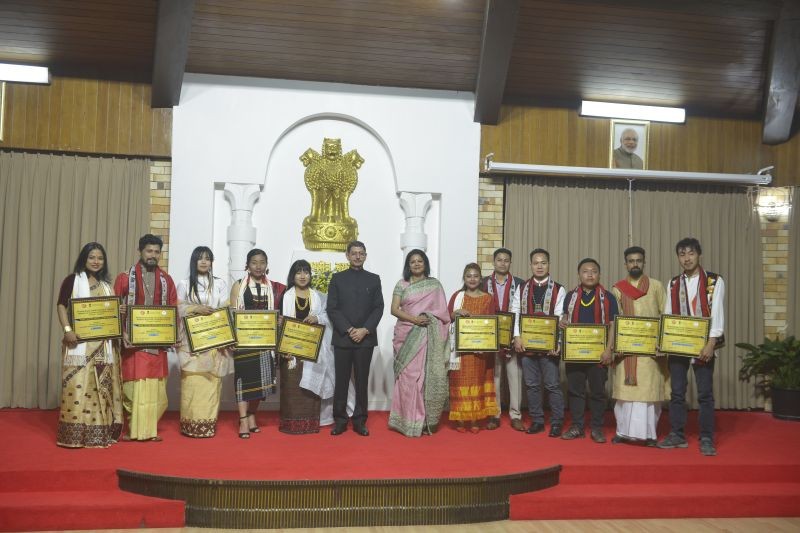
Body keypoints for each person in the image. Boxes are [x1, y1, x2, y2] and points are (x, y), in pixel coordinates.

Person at [658, 238, 725, 456]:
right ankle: (677, 434)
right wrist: (664, 342)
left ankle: (706, 438)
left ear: (699, 255)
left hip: (704, 345)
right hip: (678, 345)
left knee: (705, 394)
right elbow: (668, 313)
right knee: (677, 392)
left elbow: (717, 314)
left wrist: (711, 343)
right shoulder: (673, 283)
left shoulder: (714, 281)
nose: (686, 258)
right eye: (682, 254)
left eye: (691, 253)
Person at [56, 242, 123, 448]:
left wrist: (119, 312)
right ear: (84, 259)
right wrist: (67, 330)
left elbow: (110, 315)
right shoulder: (72, 280)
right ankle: (74, 435)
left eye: (100, 258)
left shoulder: (106, 285)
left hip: (103, 347)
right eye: (92, 257)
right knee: (77, 388)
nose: (96, 261)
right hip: (79, 345)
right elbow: (61, 305)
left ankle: (98, 434)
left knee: (99, 389)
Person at [114, 234, 177, 441]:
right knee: (133, 390)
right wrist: (122, 331)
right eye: (149, 251)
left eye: (157, 252)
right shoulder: (125, 278)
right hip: (133, 346)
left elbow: (173, 309)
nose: (153, 255)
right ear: (140, 251)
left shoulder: (166, 280)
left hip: (157, 345)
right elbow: (113, 309)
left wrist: (173, 335)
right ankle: (134, 431)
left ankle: (150, 430)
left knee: (157, 393)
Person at [388, 249, 451, 437]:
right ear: (408, 265)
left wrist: (427, 319)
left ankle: (421, 421)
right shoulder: (402, 284)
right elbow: (394, 309)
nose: (416, 264)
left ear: (425, 264)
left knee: (423, 379)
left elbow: (442, 313)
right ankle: (405, 420)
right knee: (407, 379)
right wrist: (414, 320)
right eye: (412, 261)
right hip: (406, 335)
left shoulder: (434, 285)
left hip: (427, 336)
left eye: (420, 261)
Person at [610, 246, 667, 446]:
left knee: (648, 394)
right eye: (631, 261)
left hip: (650, 351)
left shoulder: (656, 286)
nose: (635, 264)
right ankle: (622, 432)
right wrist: (615, 346)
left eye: (638, 260)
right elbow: (614, 320)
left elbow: (665, 316)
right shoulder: (617, 289)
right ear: (625, 264)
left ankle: (649, 435)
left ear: (644, 262)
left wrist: (662, 344)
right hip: (626, 350)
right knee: (625, 395)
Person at [327, 241, 384, 436]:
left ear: (365, 256)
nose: (358, 256)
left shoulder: (374, 279)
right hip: (343, 338)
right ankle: (340, 420)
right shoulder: (337, 278)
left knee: (361, 381)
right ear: (347, 256)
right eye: (354, 253)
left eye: (361, 253)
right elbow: (332, 308)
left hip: (365, 338)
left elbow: (378, 307)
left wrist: (365, 329)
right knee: (341, 381)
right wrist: (350, 329)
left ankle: (360, 421)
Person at [560, 258, 619, 443]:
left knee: (598, 393)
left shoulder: (608, 297)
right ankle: (577, 426)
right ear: (579, 275)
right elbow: (565, 319)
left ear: (599, 275)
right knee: (575, 392)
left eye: (594, 271)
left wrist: (609, 350)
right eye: (585, 271)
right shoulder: (570, 296)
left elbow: (613, 325)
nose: (590, 275)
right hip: (575, 353)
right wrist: (563, 322)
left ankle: (597, 428)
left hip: (599, 355)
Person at [230, 248, 286, 439]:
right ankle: (243, 419)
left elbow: (279, 313)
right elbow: (232, 315)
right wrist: (232, 339)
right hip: (244, 342)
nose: (258, 266)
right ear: (247, 265)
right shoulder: (239, 285)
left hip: (265, 342)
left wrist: (279, 320)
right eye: (254, 262)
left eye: (262, 262)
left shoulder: (275, 288)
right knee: (243, 381)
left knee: (262, 382)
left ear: (266, 265)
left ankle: (252, 415)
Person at [176, 246, 231, 438]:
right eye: (200, 258)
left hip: (214, 339)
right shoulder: (184, 284)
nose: (204, 262)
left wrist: (225, 335)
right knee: (192, 382)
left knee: (211, 383)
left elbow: (225, 310)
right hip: (192, 342)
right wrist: (195, 308)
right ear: (194, 261)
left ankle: (207, 425)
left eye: (208, 258)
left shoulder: (220, 283)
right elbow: (177, 309)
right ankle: (190, 424)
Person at [510, 248, 566, 437]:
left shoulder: (558, 289)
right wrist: (516, 336)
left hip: (549, 347)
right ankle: (537, 421)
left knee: (552, 385)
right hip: (527, 345)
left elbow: (560, 317)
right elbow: (515, 312)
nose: (539, 266)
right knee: (532, 385)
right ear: (531, 265)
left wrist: (558, 342)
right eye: (536, 263)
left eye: (543, 263)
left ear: (549, 265)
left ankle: (557, 422)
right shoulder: (522, 288)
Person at [278, 259, 332, 434]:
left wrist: (317, 318)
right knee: (291, 387)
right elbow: (280, 322)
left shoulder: (318, 296)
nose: (302, 276)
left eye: (306, 272)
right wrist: (284, 348)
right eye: (298, 272)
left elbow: (329, 317)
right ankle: (291, 424)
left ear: (310, 275)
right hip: (291, 351)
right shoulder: (286, 296)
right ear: (292, 276)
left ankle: (311, 423)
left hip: (312, 349)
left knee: (311, 388)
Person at [448, 263, 500, 433]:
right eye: (469, 276)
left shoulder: (488, 298)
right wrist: (456, 313)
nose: (472, 279)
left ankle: (475, 419)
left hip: (480, 351)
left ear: (480, 279)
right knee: (460, 381)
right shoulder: (457, 296)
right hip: (460, 352)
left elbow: (492, 323)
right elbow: (447, 317)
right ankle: (461, 420)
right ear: (464, 278)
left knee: (477, 381)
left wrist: (485, 345)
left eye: (475, 276)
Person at [482, 247, 525, 431]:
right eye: (499, 260)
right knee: (494, 377)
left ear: (510, 263)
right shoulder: (483, 283)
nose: (502, 263)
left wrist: (518, 335)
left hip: (512, 337)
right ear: (494, 262)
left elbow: (524, 311)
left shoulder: (520, 284)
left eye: (506, 260)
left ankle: (516, 415)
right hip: (491, 337)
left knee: (515, 377)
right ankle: (495, 414)